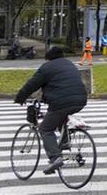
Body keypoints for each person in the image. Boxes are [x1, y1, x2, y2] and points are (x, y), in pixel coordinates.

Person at [14, 46, 87, 175]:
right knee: (60, 117)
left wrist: (20, 98)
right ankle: (64, 142)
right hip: (81, 99)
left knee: (45, 129)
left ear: (49, 58)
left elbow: (31, 84)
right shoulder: (69, 64)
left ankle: (55, 158)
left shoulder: (47, 67)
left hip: (61, 102)